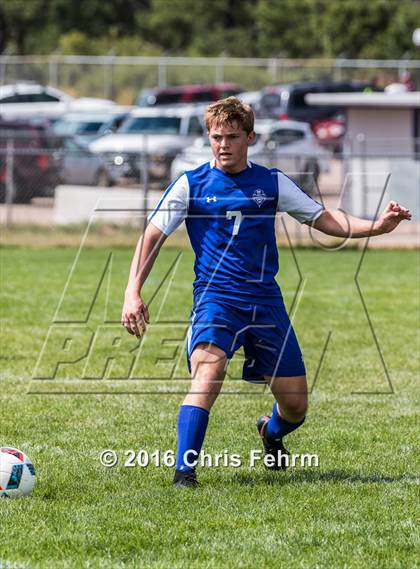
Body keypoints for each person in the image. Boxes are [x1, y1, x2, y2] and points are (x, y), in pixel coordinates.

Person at [121, 97, 411, 487]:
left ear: (250, 138)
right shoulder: (191, 184)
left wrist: (378, 226)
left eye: (232, 137)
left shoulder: (271, 182)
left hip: (264, 302)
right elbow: (152, 237)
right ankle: (184, 474)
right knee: (209, 373)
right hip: (215, 300)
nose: (223, 144)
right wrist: (132, 292)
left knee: (295, 406)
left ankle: (270, 432)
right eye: (216, 137)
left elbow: (324, 218)